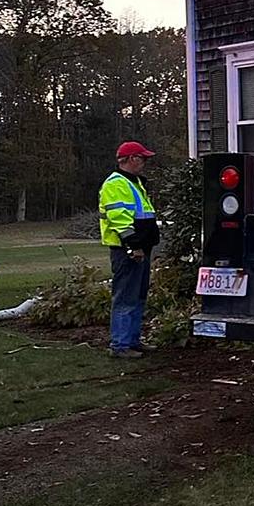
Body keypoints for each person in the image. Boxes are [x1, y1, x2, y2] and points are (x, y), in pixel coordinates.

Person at [99, 141, 160, 359]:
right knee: (125, 297)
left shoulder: (133, 183)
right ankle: (121, 345)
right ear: (132, 159)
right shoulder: (116, 184)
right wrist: (134, 245)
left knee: (137, 295)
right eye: (143, 158)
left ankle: (132, 340)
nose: (145, 162)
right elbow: (119, 218)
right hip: (128, 249)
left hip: (141, 247)